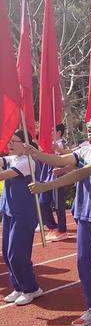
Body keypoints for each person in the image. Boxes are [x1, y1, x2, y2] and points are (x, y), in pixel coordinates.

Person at [26, 111, 91, 326]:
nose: (90, 126)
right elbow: (61, 160)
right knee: (83, 262)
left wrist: (46, 186)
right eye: (89, 122)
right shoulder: (86, 148)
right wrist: (36, 153)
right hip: (85, 214)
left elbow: (80, 174)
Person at [1, 129, 43, 306]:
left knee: (17, 253)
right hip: (10, 211)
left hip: (24, 213)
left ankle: (31, 288)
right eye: (9, 141)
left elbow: (3, 175)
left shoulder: (28, 162)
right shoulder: (13, 159)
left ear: (25, 144)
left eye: (14, 141)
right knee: (7, 253)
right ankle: (18, 286)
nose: (9, 144)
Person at [38, 123, 68, 241]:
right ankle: (52, 227)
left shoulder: (63, 146)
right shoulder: (49, 146)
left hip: (58, 177)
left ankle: (62, 230)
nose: (50, 133)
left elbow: (69, 160)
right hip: (47, 176)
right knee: (43, 202)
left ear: (59, 132)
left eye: (52, 130)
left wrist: (62, 169)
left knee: (58, 204)